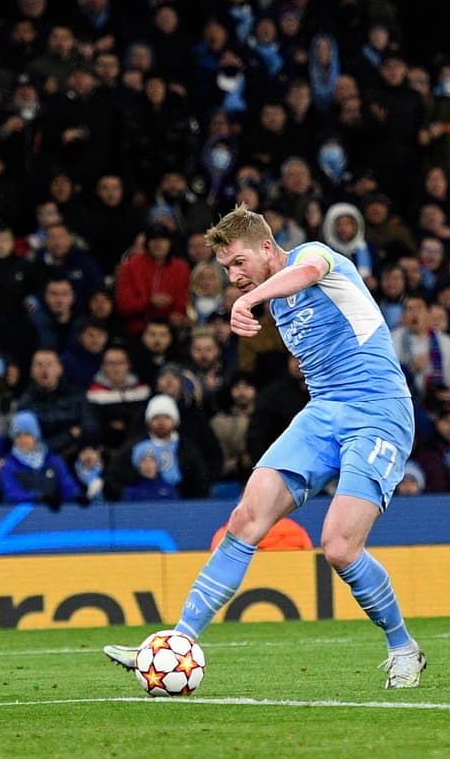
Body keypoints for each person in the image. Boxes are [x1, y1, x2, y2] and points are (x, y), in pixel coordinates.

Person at [103, 204, 425, 689]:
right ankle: (176, 643)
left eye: (237, 264)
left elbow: (309, 270)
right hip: (324, 412)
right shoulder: (274, 300)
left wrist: (246, 302)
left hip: (378, 409)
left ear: (268, 248)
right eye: (226, 269)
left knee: (339, 546)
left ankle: (403, 648)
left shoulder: (312, 257)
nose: (233, 277)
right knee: (244, 518)